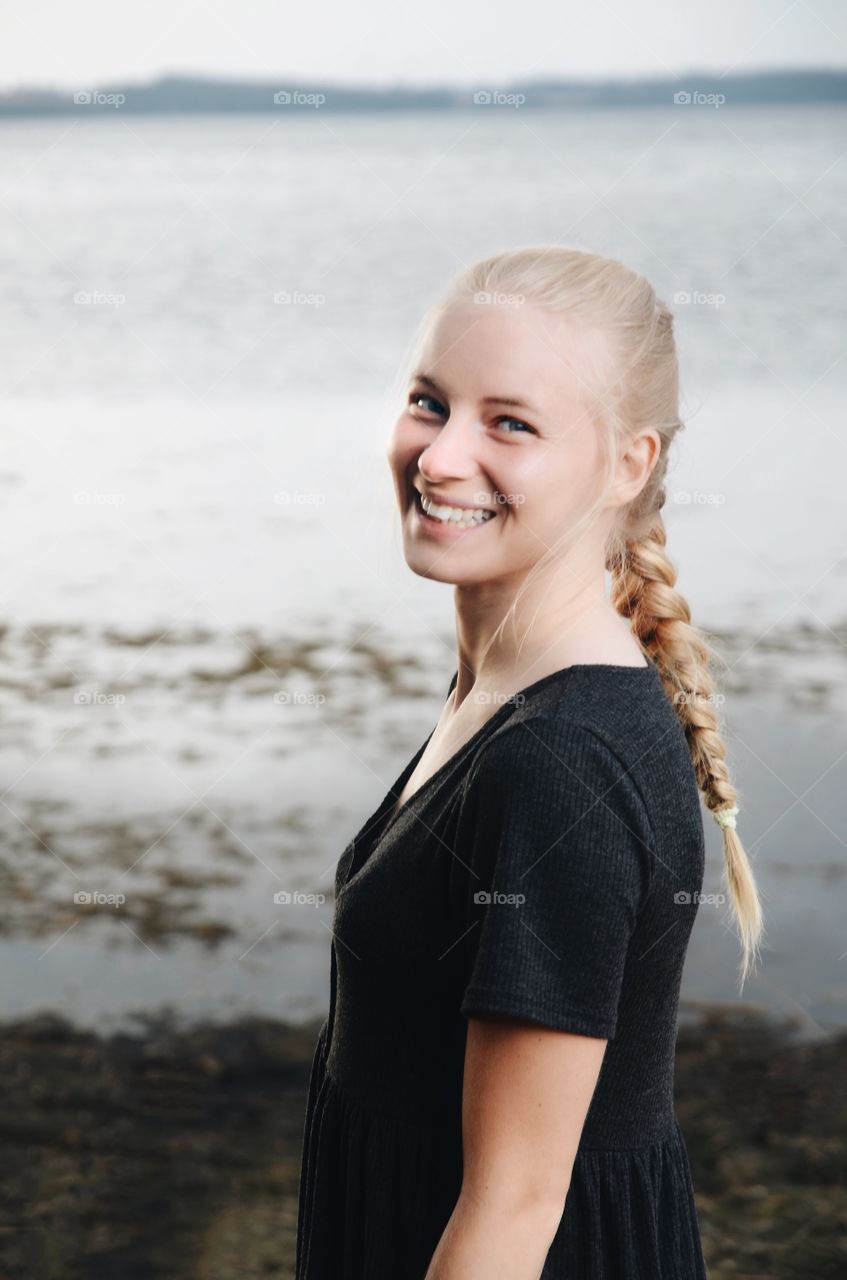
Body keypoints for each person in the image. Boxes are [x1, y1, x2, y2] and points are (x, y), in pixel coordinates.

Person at [295, 244, 765, 1279]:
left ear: (627, 463)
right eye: (429, 401)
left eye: (509, 422)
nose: (440, 456)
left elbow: (513, 1209)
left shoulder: (562, 764)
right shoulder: (499, 693)